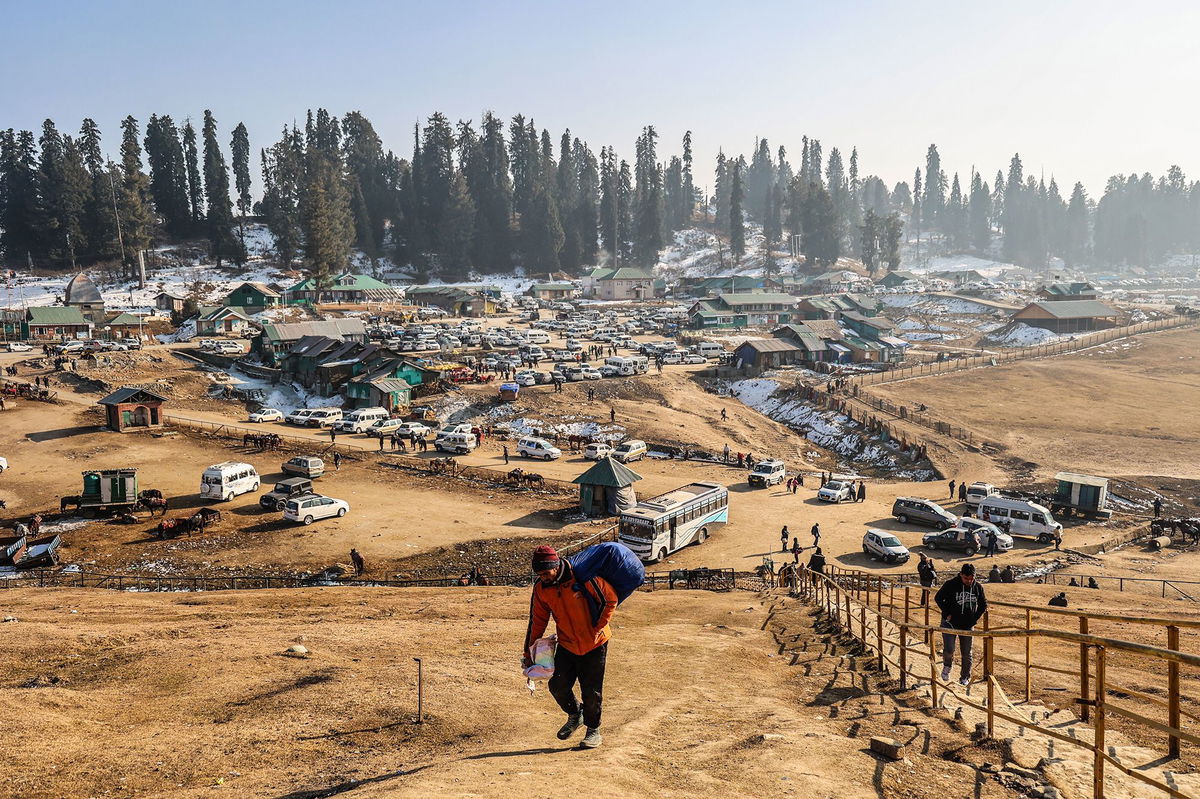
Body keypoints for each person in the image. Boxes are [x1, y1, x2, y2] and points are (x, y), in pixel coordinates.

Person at [522, 545, 616, 750]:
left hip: (595, 643)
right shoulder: (541, 589)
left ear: (555, 566)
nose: (543, 577)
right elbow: (536, 621)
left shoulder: (582, 576)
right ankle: (576, 715)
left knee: (591, 692)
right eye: (539, 574)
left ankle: (593, 730)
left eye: (546, 573)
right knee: (557, 686)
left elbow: (610, 599)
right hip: (567, 643)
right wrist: (528, 653)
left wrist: (598, 627)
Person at [935, 563, 987, 686]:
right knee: (949, 649)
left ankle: (964, 677)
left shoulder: (978, 587)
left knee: (967, 653)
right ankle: (947, 667)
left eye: (971, 578)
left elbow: (983, 604)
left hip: (968, 625)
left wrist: (975, 619)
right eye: (966, 578)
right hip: (950, 623)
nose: (969, 581)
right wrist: (946, 613)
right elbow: (938, 598)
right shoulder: (950, 584)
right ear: (961, 575)